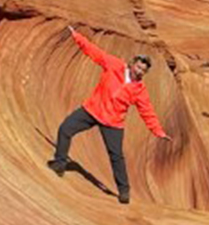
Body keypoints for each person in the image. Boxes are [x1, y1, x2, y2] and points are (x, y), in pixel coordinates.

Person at [49, 26, 169, 204]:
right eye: (138, 66)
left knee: (116, 156)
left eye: (143, 70)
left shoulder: (140, 90)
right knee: (65, 129)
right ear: (133, 63)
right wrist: (77, 37)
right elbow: (94, 52)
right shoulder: (114, 65)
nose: (139, 71)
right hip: (92, 110)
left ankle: (124, 191)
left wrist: (158, 131)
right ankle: (60, 163)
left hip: (113, 123)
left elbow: (147, 112)